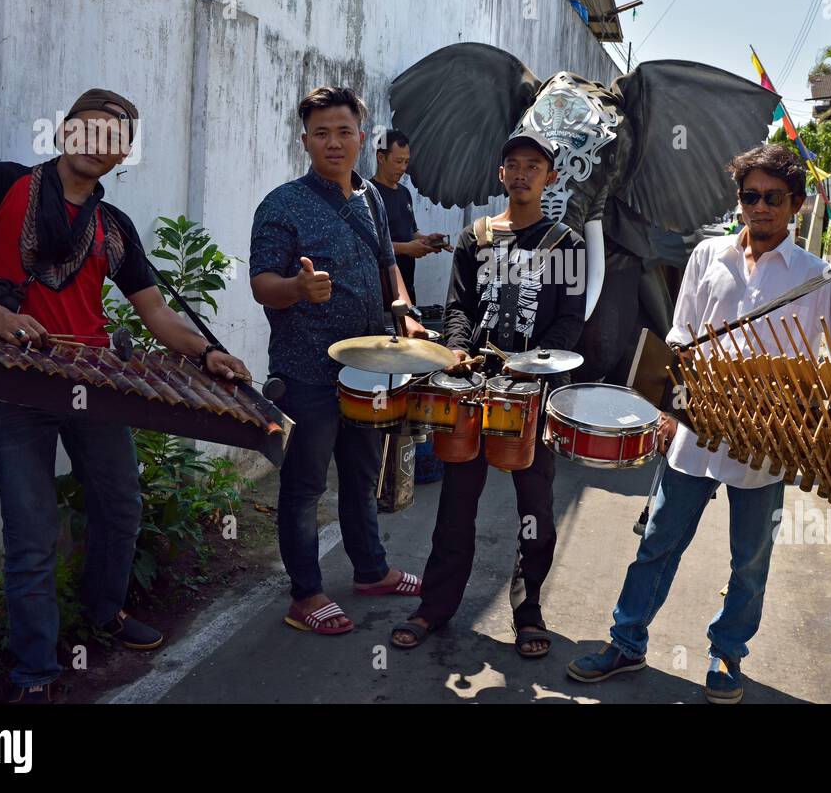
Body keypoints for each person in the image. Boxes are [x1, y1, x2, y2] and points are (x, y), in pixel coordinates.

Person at [0, 89, 250, 703]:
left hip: (95, 386)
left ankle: (104, 613)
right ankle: (35, 670)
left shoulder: (114, 228)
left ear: (122, 155)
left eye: (112, 137)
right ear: (64, 132)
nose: (97, 144)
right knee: (32, 528)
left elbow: (156, 315)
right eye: (87, 129)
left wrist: (206, 353)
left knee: (121, 506)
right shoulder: (0, 184)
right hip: (11, 383)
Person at [566, 144, 831, 703]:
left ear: (795, 204)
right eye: (751, 197)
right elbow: (680, 335)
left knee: (749, 560)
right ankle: (626, 643)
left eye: (773, 198)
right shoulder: (706, 256)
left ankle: (727, 655)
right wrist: (671, 413)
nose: (761, 208)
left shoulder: (820, 277)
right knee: (657, 542)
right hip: (696, 429)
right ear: (739, 201)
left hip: (768, 441)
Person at [390, 129, 586, 658]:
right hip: (473, 391)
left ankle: (528, 612)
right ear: (501, 174)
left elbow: (570, 321)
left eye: (533, 165)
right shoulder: (475, 237)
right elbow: (458, 307)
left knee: (534, 506)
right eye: (513, 164)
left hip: (531, 396)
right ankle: (435, 606)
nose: (521, 173)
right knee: (456, 503)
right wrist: (456, 350)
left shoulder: (565, 243)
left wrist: (533, 368)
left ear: (549, 177)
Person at [250, 86, 428, 636]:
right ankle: (305, 594)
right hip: (307, 370)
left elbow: (385, 266)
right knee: (304, 484)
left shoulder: (372, 199)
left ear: (361, 136)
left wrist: (403, 308)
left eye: (343, 131)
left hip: (368, 366)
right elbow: (261, 285)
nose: (333, 142)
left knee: (361, 474)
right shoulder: (282, 204)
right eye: (321, 133)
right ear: (305, 140)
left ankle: (371, 571)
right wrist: (299, 289)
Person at [369, 129, 449, 305]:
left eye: (406, 162)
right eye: (398, 161)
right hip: (381, 291)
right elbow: (370, 245)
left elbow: (411, 231)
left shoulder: (404, 193)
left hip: (407, 287)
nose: (403, 168)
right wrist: (407, 248)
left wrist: (427, 239)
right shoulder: (368, 195)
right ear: (381, 158)